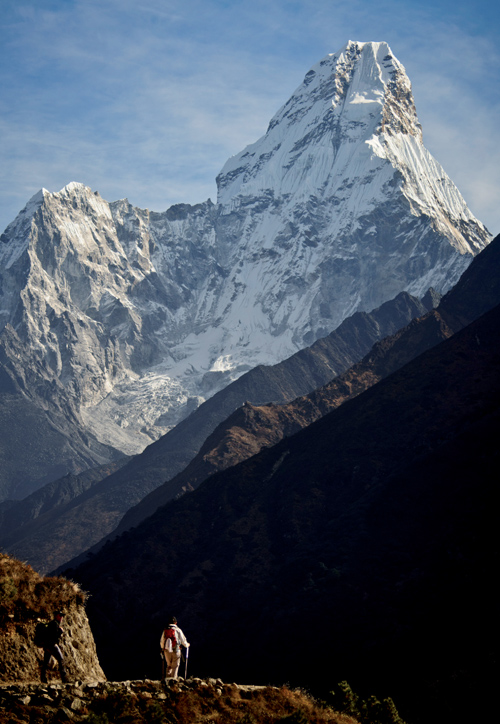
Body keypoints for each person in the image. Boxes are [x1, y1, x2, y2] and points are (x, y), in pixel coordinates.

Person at [41, 611, 67, 683]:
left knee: (46, 662)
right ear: (56, 616)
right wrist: (60, 631)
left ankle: (43, 678)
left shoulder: (52, 623)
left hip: (47, 645)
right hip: (52, 645)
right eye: (60, 615)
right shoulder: (54, 624)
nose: (62, 617)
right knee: (61, 659)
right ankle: (64, 678)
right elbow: (54, 635)